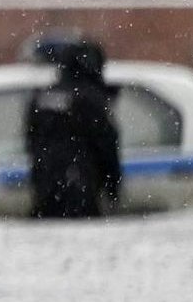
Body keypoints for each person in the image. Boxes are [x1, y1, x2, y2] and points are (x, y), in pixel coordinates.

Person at [25, 35, 122, 221]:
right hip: (82, 191)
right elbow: (107, 144)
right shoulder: (91, 98)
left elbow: (31, 141)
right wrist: (113, 187)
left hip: (46, 191)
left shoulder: (43, 96)